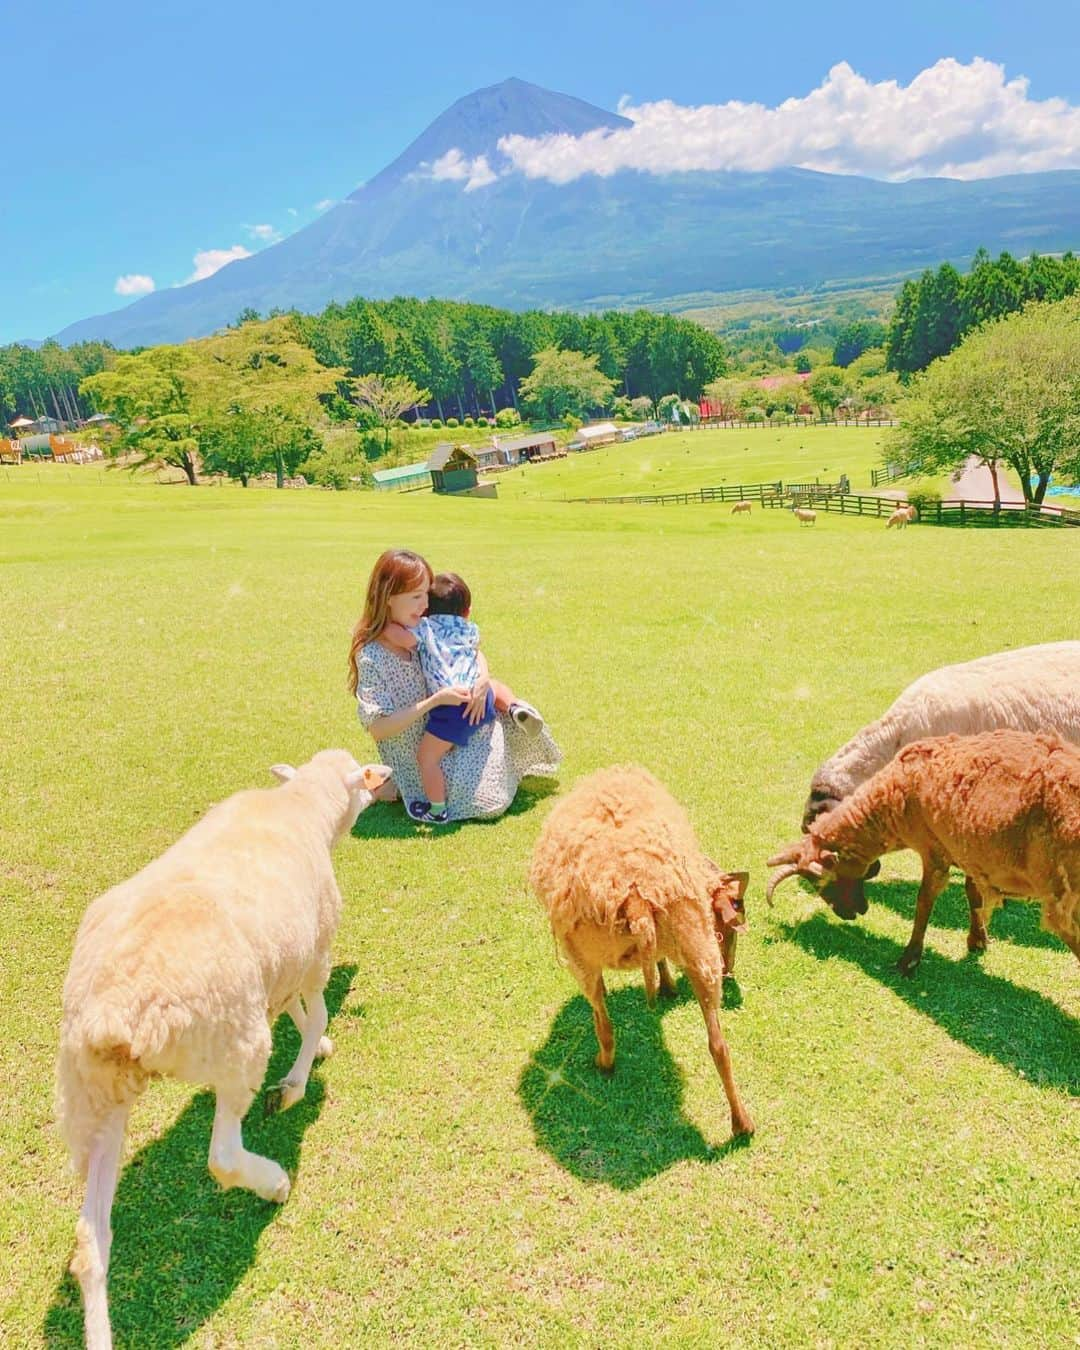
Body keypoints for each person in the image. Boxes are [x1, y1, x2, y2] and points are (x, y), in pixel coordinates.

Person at [348, 549, 561, 823]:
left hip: (454, 725)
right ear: (388, 598)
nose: (425, 605)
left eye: (426, 594)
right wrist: (434, 701)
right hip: (425, 747)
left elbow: (469, 650)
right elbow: (378, 729)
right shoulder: (373, 654)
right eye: (416, 597)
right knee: (486, 803)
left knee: (494, 756)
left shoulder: (422, 628)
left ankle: (386, 783)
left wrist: (482, 679)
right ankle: (385, 782)